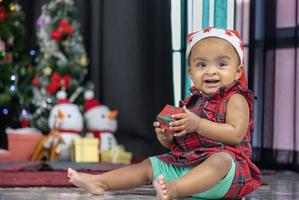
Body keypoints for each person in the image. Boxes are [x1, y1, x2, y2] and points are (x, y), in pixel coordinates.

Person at [67, 27, 261, 199]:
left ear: (238, 71)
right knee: (150, 165)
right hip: (190, 169)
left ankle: (174, 189)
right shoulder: (191, 103)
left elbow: (236, 134)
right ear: (190, 72)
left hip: (224, 177)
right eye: (201, 65)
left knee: (221, 160)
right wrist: (167, 137)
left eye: (221, 65)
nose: (211, 72)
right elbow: (179, 144)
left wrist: (198, 124)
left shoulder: (236, 98)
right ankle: (101, 182)